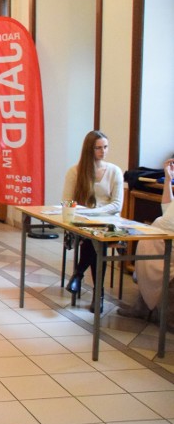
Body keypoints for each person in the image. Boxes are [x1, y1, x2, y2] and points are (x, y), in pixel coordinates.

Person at [63, 130, 124, 311]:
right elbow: (67, 201)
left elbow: (117, 204)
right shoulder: (75, 171)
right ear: (89, 149)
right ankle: (99, 294)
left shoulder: (114, 171)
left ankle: (79, 275)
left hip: (109, 222)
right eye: (98, 148)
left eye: (105, 147)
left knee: (96, 239)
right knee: (94, 239)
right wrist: (85, 214)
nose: (102, 151)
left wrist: (95, 213)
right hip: (83, 222)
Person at [117, 159, 174, 329]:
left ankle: (167, 316)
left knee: (158, 265)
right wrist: (168, 179)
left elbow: (168, 222)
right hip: (158, 241)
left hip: (167, 246)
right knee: (145, 260)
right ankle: (143, 307)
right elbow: (167, 208)